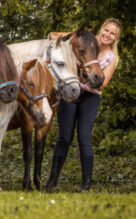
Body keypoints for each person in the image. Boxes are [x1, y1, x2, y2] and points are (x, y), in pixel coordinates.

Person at [45, 18, 121, 191]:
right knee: (64, 138)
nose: (107, 35)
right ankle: (52, 181)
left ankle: (85, 185)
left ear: (116, 38)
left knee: (84, 138)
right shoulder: (88, 40)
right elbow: (53, 35)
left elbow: (101, 84)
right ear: (101, 29)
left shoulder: (112, 57)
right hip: (71, 92)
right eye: (106, 30)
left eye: (112, 33)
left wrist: (86, 71)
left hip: (90, 98)